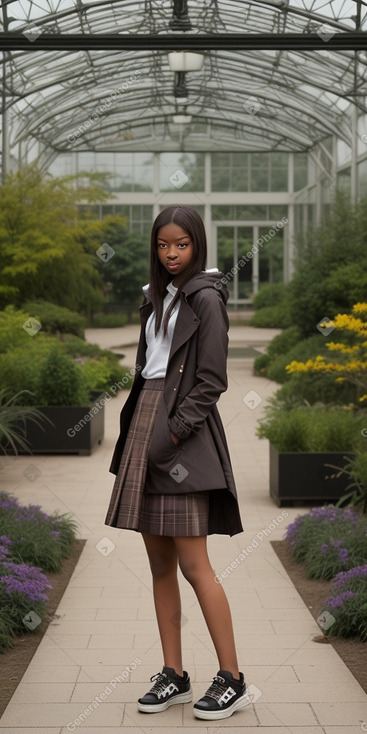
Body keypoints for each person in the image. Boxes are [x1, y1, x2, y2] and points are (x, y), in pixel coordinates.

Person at [105, 205, 247, 721]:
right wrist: (145, 431)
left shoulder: (206, 299)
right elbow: (148, 369)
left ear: (197, 246)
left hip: (180, 433)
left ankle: (232, 678)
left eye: (181, 245)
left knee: (194, 565)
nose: (171, 254)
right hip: (147, 419)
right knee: (160, 564)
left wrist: (173, 432)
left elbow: (211, 380)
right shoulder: (155, 297)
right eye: (163, 245)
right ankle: (175, 675)